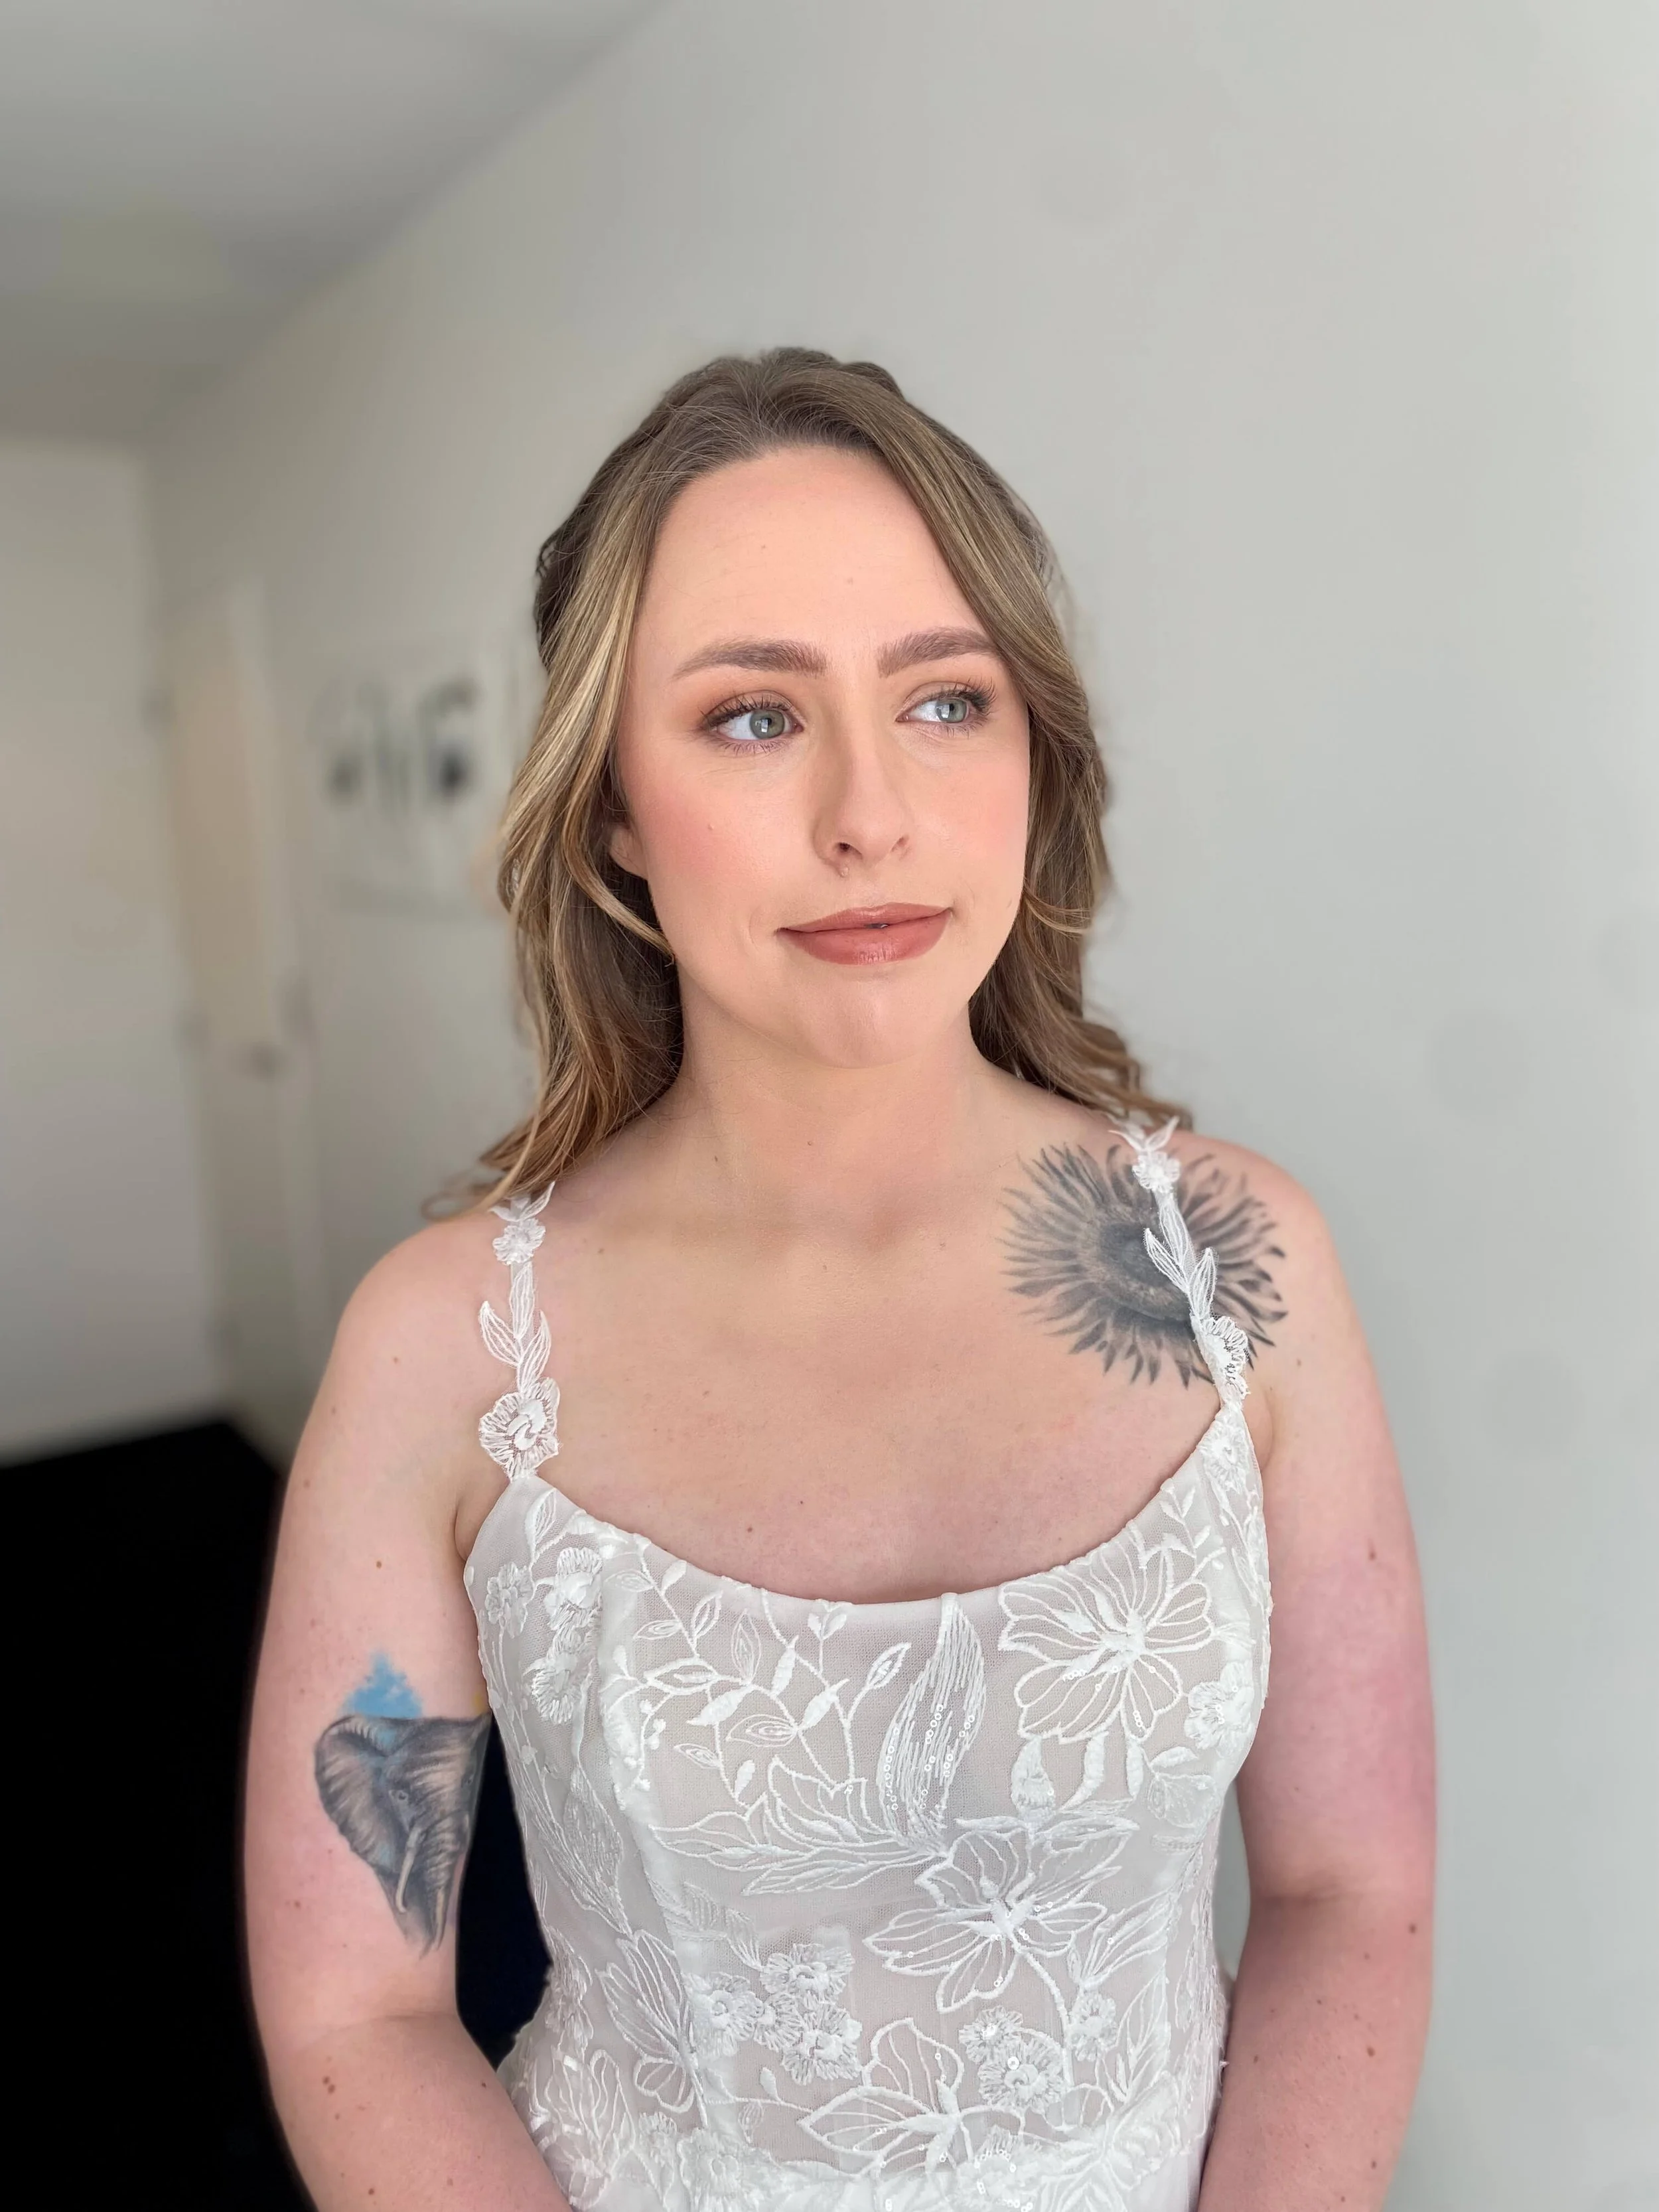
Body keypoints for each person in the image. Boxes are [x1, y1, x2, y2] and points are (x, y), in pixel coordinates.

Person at [245, 348, 1435, 2212]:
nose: (870, 814)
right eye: (748, 718)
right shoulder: (446, 1347)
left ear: (1035, 756)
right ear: (610, 807)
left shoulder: (1237, 1269)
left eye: (945, 699)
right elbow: (356, 2002)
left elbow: (1346, 1889)